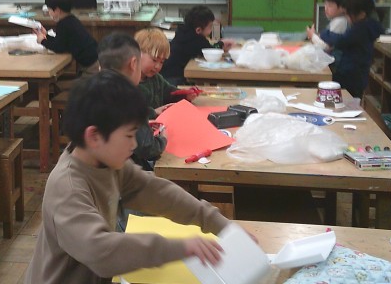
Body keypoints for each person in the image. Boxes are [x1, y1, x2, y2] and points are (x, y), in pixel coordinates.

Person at [24, 70, 249, 284]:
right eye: (129, 135)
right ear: (94, 136)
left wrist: (220, 224)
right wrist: (181, 248)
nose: (133, 145)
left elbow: (157, 192)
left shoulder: (108, 163)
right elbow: (102, 252)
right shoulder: (68, 187)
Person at [98, 32, 166, 171]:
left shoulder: (93, 90)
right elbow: (147, 147)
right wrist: (164, 139)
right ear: (134, 64)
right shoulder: (130, 99)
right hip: (121, 172)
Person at [318, 0, 383, 97]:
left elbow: (340, 41)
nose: (347, 17)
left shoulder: (360, 29)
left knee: (347, 97)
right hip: (357, 70)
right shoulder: (372, 25)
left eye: (348, 14)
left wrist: (325, 33)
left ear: (361, 14)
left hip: (352, 73)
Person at [161, 5, 236, 85]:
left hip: (166, 74)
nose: (211, 29)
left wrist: (220, 44)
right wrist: (222, 44)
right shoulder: (195, 39)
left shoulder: (183, 32)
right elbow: (210, 50)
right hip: (174, 79)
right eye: (210, 26)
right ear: (198, 30)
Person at [33, 0, 99, 80]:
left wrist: (42, 41)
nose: (48, 12)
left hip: (90, 67)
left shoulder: (63, 25)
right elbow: (61, 42)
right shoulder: (70, 19)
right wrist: (46, 35)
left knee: (83, 87)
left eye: (49, 9)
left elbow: (59, 48)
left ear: (57, 10)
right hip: (91, 60)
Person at [134, 27, 196, 120]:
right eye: (154, 60)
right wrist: (154, 112)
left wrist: (185, 95)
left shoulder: (156, 79)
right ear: (137, 54)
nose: (158, 66)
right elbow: (129, 112)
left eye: (162, 62)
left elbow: (169, 93)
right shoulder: (128, 83)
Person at [306, 0, 350, 68]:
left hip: (335, 65)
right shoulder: (339, 20)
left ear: (342, 8)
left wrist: (312, 36)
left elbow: (325, 47)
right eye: (325, 4)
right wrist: (315, 35)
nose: (325, 8)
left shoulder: (340, 22)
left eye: (330, 5)